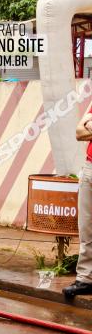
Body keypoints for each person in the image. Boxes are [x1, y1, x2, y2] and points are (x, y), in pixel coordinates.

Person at [65, 110, 92, 298]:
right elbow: (78, 132)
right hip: (90, 167)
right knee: (86, 228)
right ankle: (85, 279)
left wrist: (89, 126)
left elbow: (86, 130)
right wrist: (85, 127)